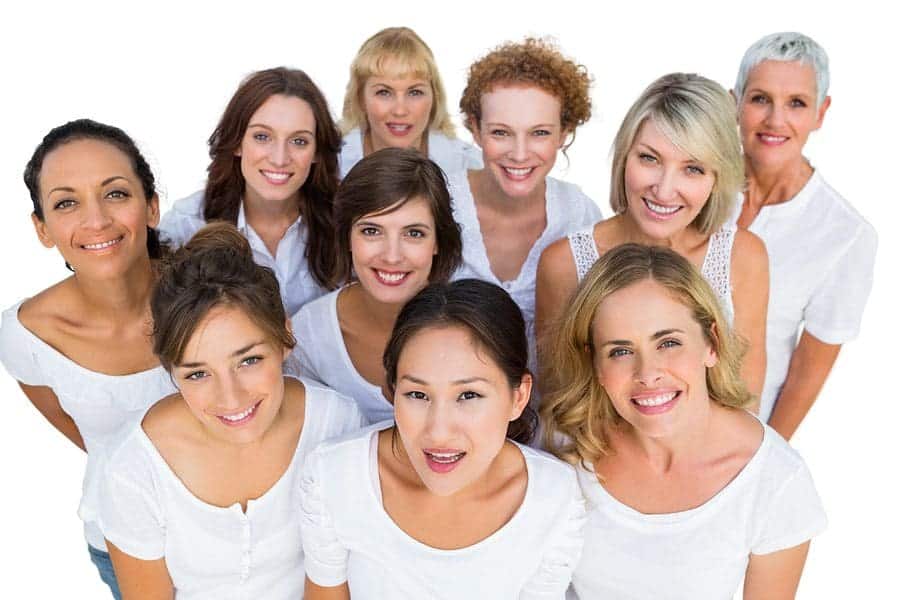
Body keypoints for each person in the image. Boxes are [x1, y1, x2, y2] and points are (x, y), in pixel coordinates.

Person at [541, 244, 826, 599]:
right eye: (621, 351)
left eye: (669, 343)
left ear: (712, 344)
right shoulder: (564, 451)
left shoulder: (775, 480)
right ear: (595, 363)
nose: (647, 374)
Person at [98, 223, 366, 599]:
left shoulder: (337, 423)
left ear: (285, 338)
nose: (231, 397)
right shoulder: (134, 469)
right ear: (170, 370)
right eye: (198, 373)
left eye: (249, 360)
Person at [299, 279, 584, 599]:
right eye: (418, 394)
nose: (438, 431)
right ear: (391, 393)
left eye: (469, 395)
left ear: (519, 397)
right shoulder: (335, 475)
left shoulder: (554, 497)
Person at [0, 119, 178, 599]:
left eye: (116, 194)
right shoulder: (25, 334)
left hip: (246, 539)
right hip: (122, 544)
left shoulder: (213, 297)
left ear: (152, 206)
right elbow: (98, 442)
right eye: (66, 203)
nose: (96, 220)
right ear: (42, 228)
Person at [536, 73, 769, 403]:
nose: (663, 189)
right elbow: (561, 402)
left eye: (693, 168)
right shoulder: (564, 263)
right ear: (624, 157)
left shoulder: (743, 256)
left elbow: (745, 399)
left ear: (718, 178)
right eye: (649, 158)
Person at [732, 32, 877, 437]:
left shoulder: (845, 235)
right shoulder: (694, 185)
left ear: (821, 112)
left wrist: (766, 456)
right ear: (735, 102)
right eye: (760, 98)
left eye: (796, 103)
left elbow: (806, 375)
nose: (776, 120)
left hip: (744, 432)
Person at [453, 37, 603, 362]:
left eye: (539, 133)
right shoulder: (438, 202)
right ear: (475, 129)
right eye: (501, 133)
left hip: (555, 406)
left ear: (564, 134)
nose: (519, 154)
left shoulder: (581, 216)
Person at [288, 147, 462, 423]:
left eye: (414, 233)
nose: (392, 256)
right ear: (347, 237)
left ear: (438, 241)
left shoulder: (474, 325)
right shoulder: (309, 335)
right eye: (371, 231)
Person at [158, 67, 342, 315]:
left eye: (299, 141)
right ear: (236, 143)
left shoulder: (345, 221)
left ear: (317, 152)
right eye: (262, 136)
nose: (279, 159)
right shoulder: (187, 224)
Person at [338, 26, 481, 179]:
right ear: (360, 98)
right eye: (384, 92)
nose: (400, 110)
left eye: (415, 92)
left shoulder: (469, 165)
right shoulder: (331, 163)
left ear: (434, 97)